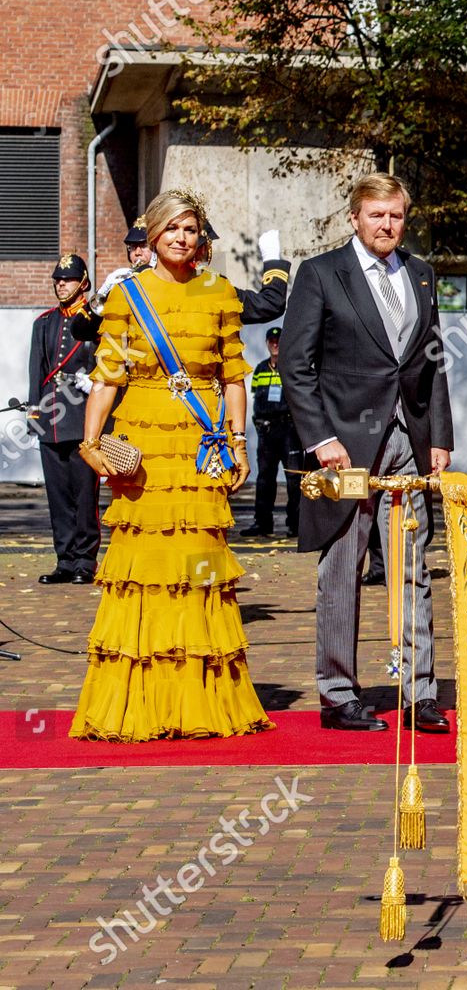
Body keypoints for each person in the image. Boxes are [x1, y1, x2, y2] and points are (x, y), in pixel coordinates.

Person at [70, 190, 272, 742]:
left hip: (200, 444)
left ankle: (199, 700)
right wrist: (92, 442)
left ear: (200, 236)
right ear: (153, 235)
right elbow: (108, 374)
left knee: (198, 565)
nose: (182, 238)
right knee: (147, 567)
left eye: (191, 229)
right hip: (144, 448)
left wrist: (238, 442)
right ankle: (144, 700)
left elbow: (234, 375)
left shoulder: (222, 292)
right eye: (172, 229)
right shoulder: (127, 295)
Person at [280, 172, 454, 734]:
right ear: (354, 218)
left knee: (411, 567)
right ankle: (338, 695)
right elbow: (295, 366)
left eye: (396, 215)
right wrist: (320, 438)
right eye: (376, 215)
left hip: (409, 440)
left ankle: (418, 689)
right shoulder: (321, 274)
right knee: (342, 569)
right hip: (344, 449)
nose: (387, 225)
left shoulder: (422, 275)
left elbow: (431, 362)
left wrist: (440, 436)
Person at [27, 253, 102, 585]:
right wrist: (34, 411)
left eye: (67, 279)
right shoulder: (43, 322)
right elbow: (37, 371)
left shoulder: (96, 322)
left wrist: (93, 382)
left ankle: (86, 561)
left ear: (83, 283)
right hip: (51, 419)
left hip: (82, 417)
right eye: (58, 279)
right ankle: (66, 560)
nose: (60, 284)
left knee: (84, 495)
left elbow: (110, 366)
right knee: (57, 496)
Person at [243, 326, 301, 538]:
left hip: (289, 431)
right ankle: (262, 523)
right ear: (267, 343)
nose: (275, 344)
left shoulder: (293, 368)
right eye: (272, 340)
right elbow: (255, 397)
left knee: (295, 479)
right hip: (267, 432)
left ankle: (295, 525)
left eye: (279, 340)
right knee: (265, 478)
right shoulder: (260, 368)